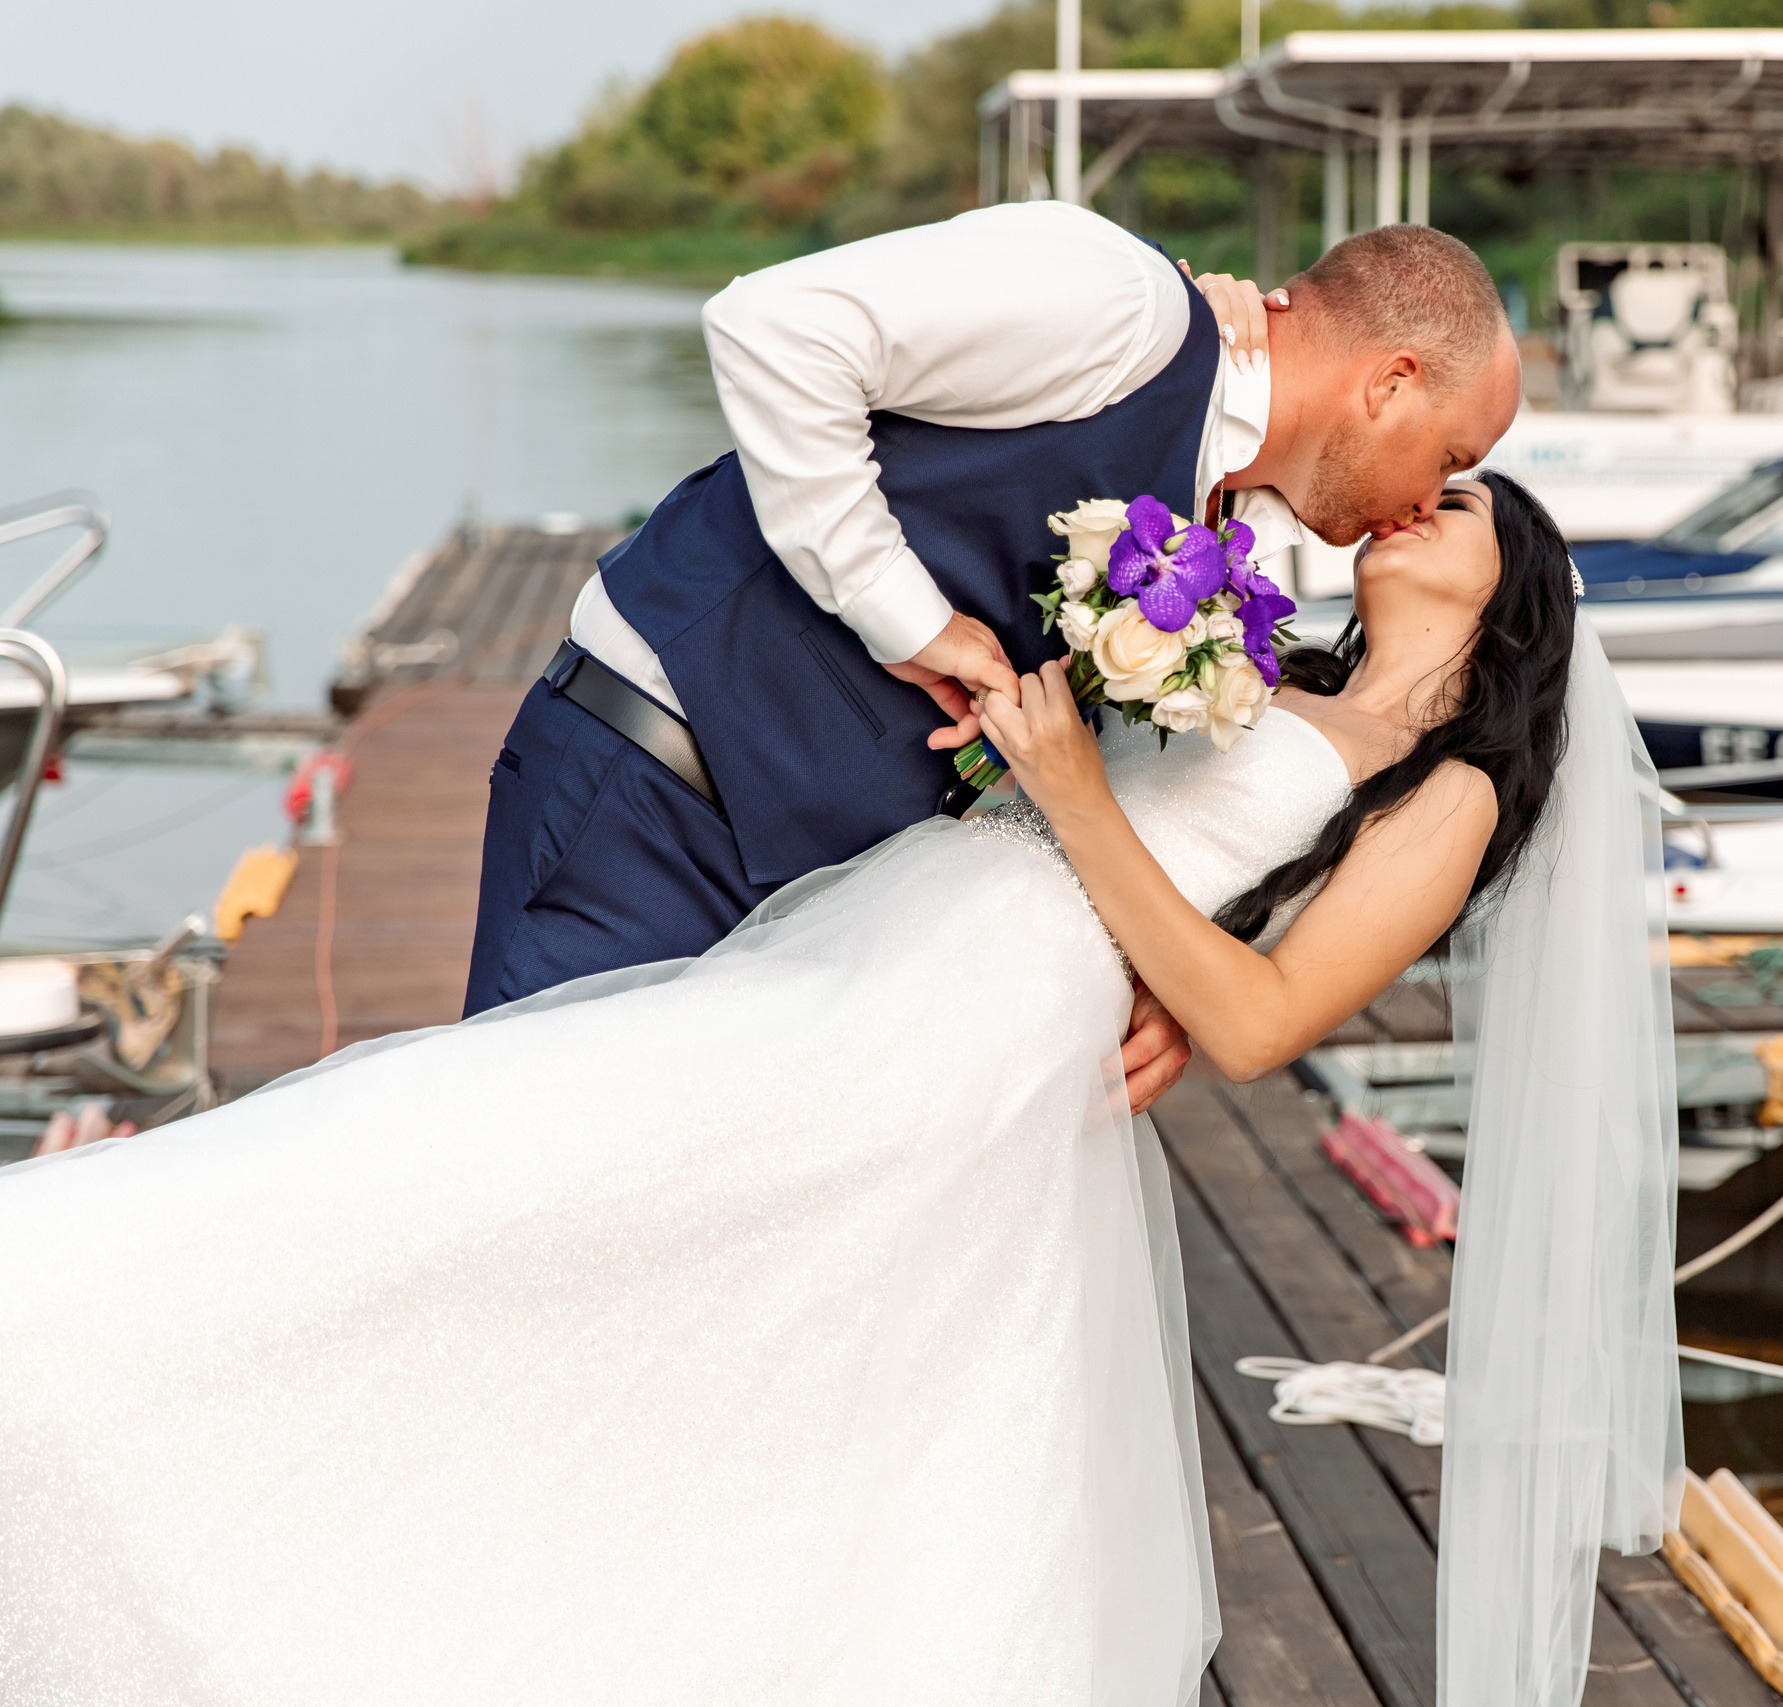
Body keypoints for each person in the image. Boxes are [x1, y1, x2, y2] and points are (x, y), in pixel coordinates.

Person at [0, 470, 1680, 1707]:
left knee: (609, 1213)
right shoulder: (1276, 669)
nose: (1409, 504)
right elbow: (1216, 914)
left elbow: (1256, 1022)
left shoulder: (1450, 788)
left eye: (1455, 501)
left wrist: (1082, 805)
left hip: (968, 1026)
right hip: (890, 953)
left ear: (1512, 582)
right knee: (541, 1173)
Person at [462, 203, 1523, 1119]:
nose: (1430, 499)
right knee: (508, 1205)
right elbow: (775, 327)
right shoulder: (1123, 307)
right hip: (657, 799)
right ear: (1388, 383)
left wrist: (1154, 974)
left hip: (825, 916)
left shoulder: (1217, 517)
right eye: (1452, 458)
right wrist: (904, 618)